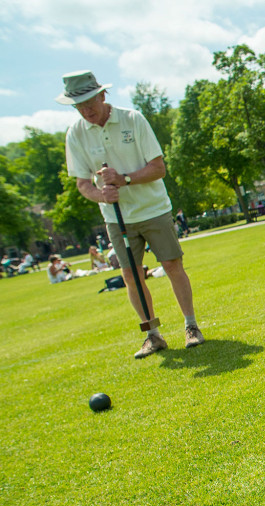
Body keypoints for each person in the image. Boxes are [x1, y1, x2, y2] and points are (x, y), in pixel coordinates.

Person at [60, 70, 205, 359]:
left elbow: (158, 168)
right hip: (116, 216)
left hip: (152, 208)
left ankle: (191, 327)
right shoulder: (75, 134)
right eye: (79, 105)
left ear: (102, 95)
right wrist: (101, 194)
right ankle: (152, 335)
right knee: (131, 275)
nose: (86, 110)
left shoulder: (132, 119)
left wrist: (123, 180)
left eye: (90, 101)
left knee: (172, 265)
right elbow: (82, 184)